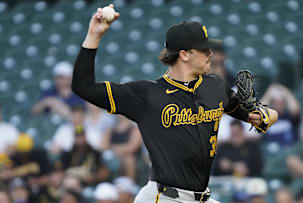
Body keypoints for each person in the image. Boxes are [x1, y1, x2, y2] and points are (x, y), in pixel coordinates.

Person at [72, 4, 278, 202]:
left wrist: (264, 115)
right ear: (184, 54)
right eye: (204, 50)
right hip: (164, 197)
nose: (211, 54)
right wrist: (94, 35)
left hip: (201, 197)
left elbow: (259, 115)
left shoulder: (216, 86)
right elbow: (84, 87)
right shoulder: (147, 94)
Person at [101, 115, 142, 180]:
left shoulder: (134, 129)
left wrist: (114, 148)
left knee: (129, 159)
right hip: (113, 156)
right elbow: (103, 146)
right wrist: (118, 149)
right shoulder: (111, 129)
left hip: (130, 158)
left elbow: (132, 147)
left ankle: (130, 183)